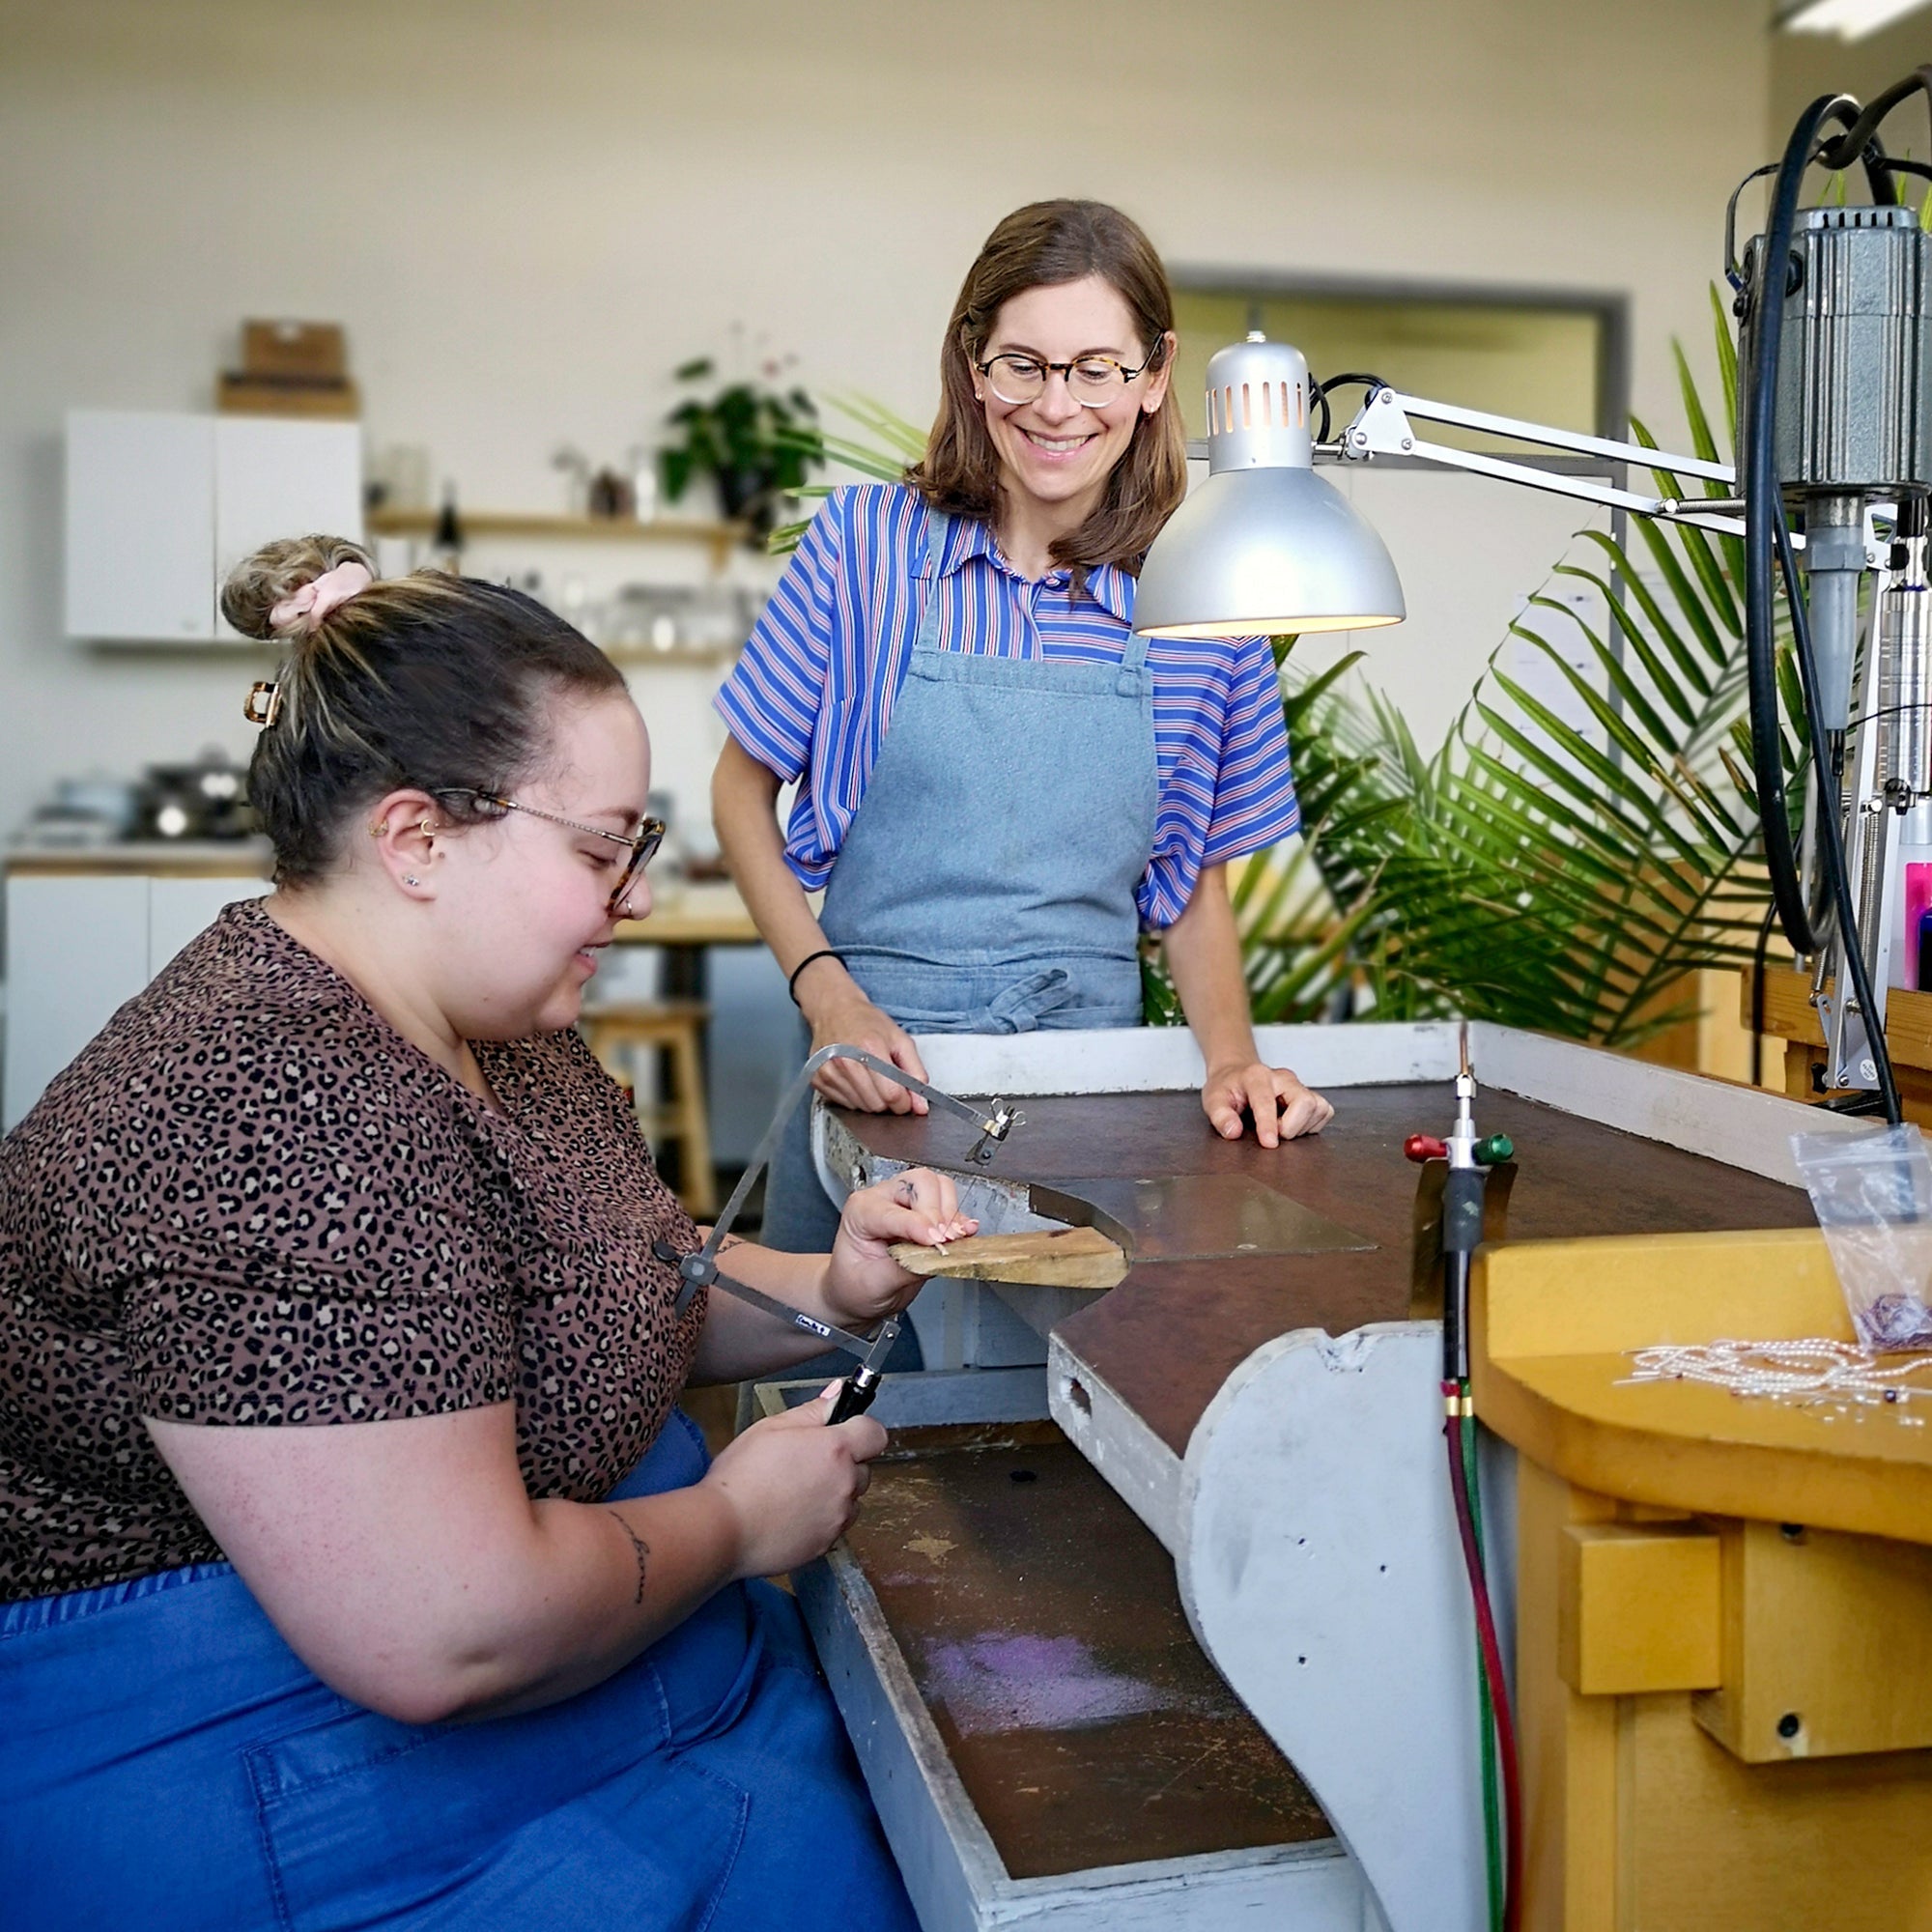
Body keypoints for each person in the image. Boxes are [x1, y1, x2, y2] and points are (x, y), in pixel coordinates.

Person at [0, 538, 976, 1931]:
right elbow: (447, 1631)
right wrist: (733, 1523)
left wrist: (836, 1280)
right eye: (600, 849)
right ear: (414, 841)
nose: (636, 895)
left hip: (599, 1648)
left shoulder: (497, 1024)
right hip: (263, 1751)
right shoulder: (274, 1102)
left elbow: (625, 1279)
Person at [714, 198, 1335, 1257]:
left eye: (1096, 368)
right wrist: (827, 997)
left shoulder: (1200, 601)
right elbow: (740, 791)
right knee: (830, 1348)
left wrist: (1231, 1059)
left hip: (1083, 1095)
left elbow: (1193, 887)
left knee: (1041, 1352)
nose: (1056, 405)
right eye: (1023, 365)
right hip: (870, 1069)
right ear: (973, 366)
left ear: (1153, 375)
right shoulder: (864, 549)